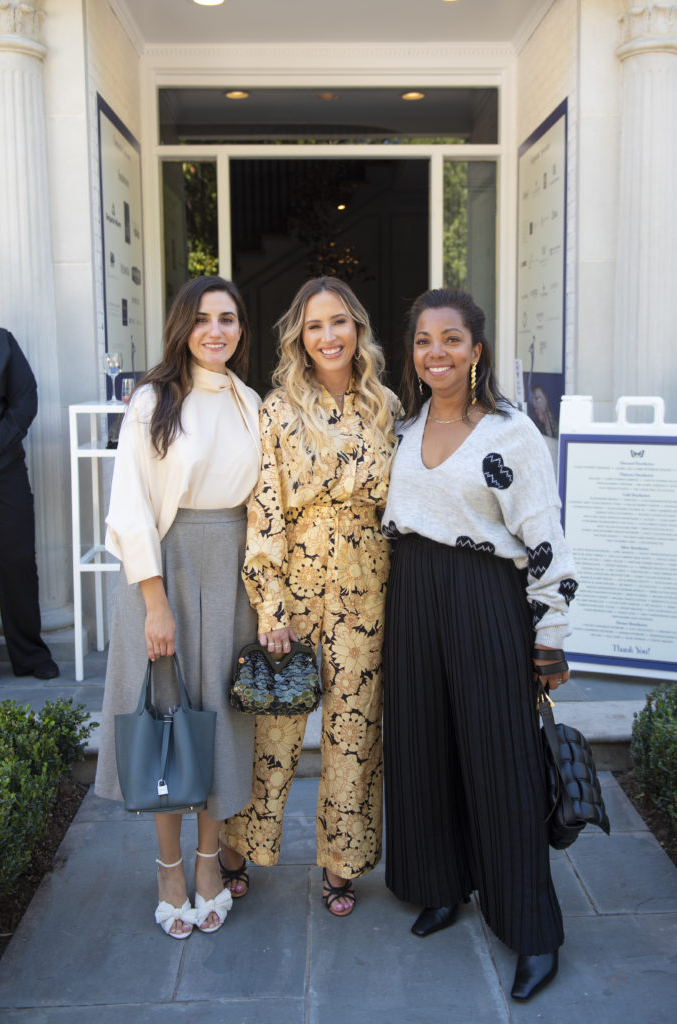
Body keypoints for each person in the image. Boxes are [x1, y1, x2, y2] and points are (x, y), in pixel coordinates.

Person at [382, 289, 578, 1000]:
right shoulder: (404, 427)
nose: (437, 352)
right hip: (412, 595)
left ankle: (531, 929)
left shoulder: (510, 431)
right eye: (424, 340)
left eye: (452, 339)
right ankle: (441, 885)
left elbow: (545, 535)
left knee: (503, 761)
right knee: (423, 747)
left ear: (478, 350)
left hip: (484, 598)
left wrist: (550, 636)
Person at [219, 276, 399, 917]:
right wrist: (269, 607)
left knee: (355, 733)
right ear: (300, 334)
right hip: (294, 592)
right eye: (316, 325)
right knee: (275, 727)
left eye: (340, 322)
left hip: (369, 593)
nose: (329, 336)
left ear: (358, 330)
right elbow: (262, 513)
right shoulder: (276, 410)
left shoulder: (385, 407)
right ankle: (237, 847)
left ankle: (340, 863)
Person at [94, 276, 261, 939]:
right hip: (164, 568)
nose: (215, 330)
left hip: (233, 569)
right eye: (202, 319)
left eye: (228, 317)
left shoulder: (251, 402)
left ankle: (208, 863)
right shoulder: (153, 401)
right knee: (166, 715)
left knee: (216, 718)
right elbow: (129, 504)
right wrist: (154, 603)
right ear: (182, 328)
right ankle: (168, 869)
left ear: (241, 328)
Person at [0, 327, 59, 682]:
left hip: (3, 469)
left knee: (16, 561)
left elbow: (25, 399)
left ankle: (31, 656)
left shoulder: (1, 341)